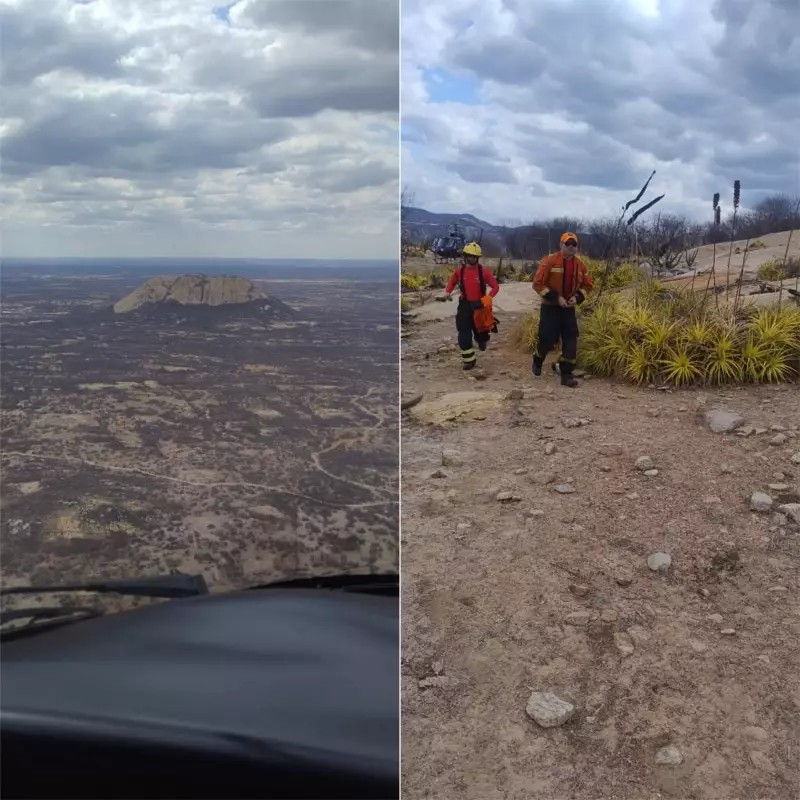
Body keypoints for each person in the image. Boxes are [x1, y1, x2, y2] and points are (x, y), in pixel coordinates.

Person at [532, 232, 593, 388]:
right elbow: (538, 284)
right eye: (568, 244)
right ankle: (538, 359)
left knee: (571, 339)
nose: (571, 247)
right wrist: (555, 297)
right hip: (550, 307)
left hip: (568, 309)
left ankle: (566, 374)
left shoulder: (580, 265)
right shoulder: (550, 261)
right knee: (547, 339)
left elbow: (587, 286)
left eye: (574, 244)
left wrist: (577, 298)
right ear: (561, 245)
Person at [442, 242, 500, 370]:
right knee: (464, 333)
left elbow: (495, 287)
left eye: (475, 257)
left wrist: (488, 298)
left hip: (479, 306)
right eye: (470, 256)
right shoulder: (460, 271)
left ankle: (482, 340)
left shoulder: (483, 272)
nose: (472, 259)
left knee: (481, 333)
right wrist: (447, 291)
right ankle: (469, 360)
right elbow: (452, 281)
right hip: (465, 305)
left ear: (478, 258)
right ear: (465, 256)